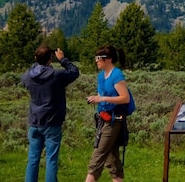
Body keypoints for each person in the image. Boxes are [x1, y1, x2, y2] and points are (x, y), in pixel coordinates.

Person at [22, 45, 80, 182]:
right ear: (51, 58)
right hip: (52, 122)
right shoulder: (56, 75)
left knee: (33, 159)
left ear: (36, 59)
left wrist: (37, 62)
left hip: (35, 122)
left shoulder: (28, 77)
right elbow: (74, 72)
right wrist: (63, 60)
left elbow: (26, 76)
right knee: (51, 159)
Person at [85, 45, 130, 182]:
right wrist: (96, 99)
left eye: (99, 58)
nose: (96, 61)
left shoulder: (116, 75)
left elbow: (125, 98)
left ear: (108, 59)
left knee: (97, 156)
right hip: (103, 119)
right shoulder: (101, 76)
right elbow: (102, 94)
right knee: (112, 159)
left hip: (113, 120)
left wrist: (101, 99)